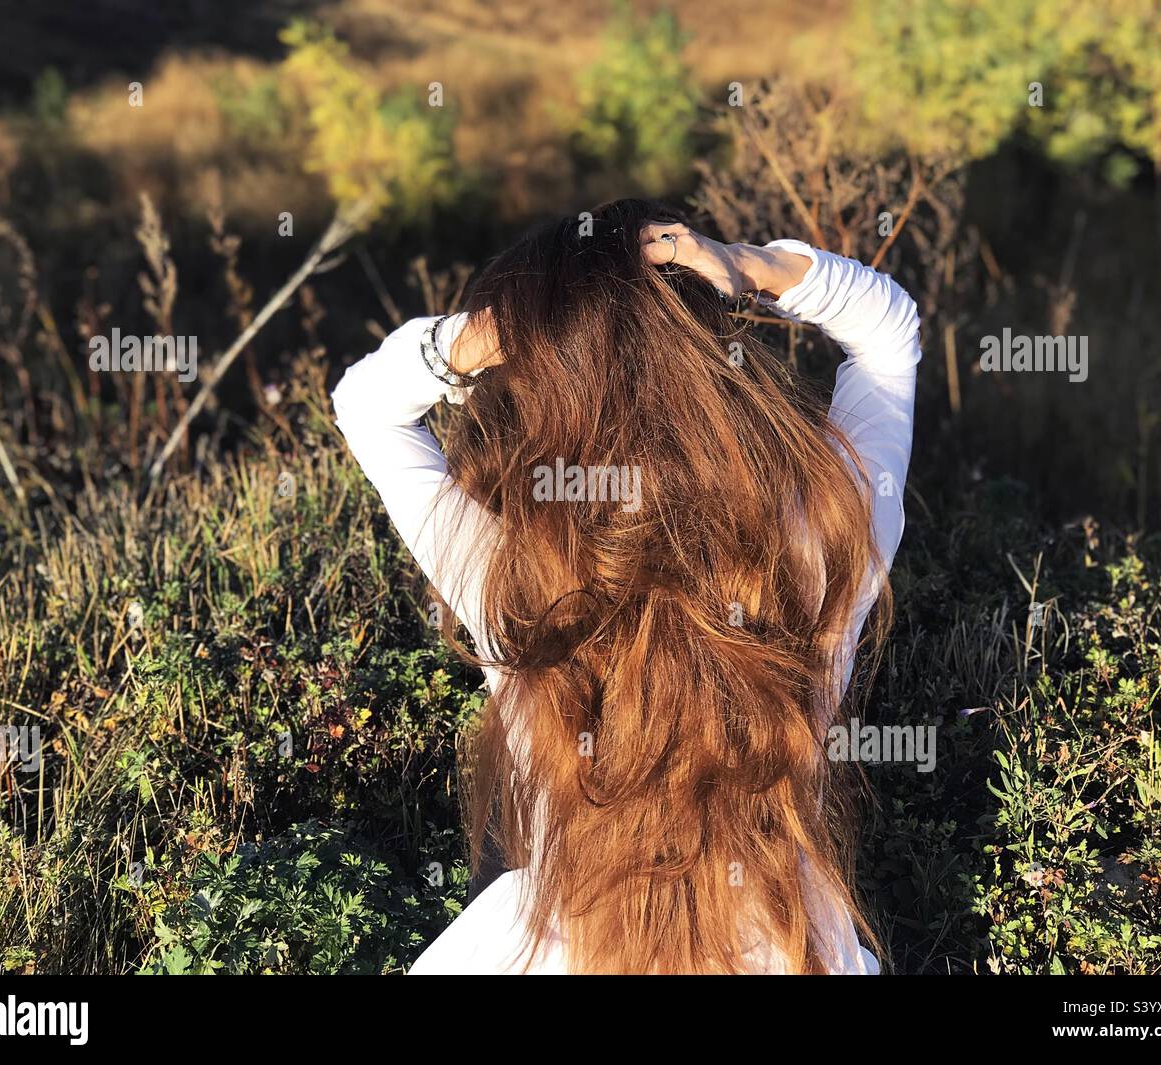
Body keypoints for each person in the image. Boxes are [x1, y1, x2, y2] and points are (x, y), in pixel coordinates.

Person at [332, 198, 921, 973]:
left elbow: (366, 409)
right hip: (777, 944)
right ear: (712, 353)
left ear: (543, 383)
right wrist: (745, 266)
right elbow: (890, 338)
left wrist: (485, 335)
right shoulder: (816, 546)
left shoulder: (516, 575)